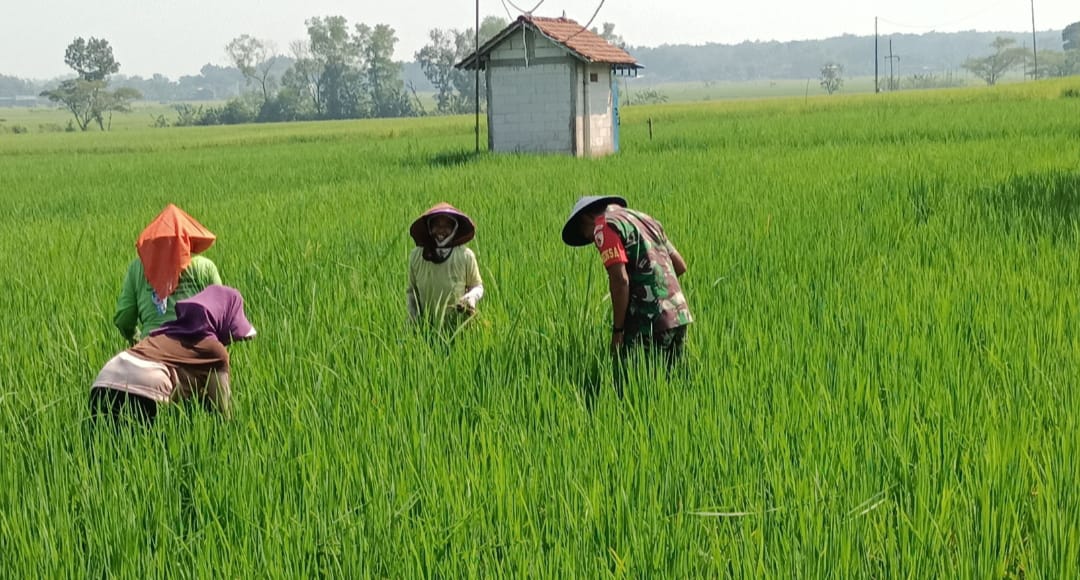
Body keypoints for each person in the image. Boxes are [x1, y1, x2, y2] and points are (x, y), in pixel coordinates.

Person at [561, 195, 692, 379]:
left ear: (586, 218)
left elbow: (620, 280)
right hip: (680, 314)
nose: (593, 240)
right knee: (671, 382)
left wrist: (618, 330)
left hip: (648, 322)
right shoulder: (646, 219)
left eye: (587, 235)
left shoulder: (603, 226)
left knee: (638, 384)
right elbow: (679, 266)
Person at [90, 285, 257, 424]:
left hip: (102, 383)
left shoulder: (163, 332)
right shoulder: (214, 351)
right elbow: (223, 413)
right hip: (142, 391)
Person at [114, 204, 222, 344]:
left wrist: (136, 340)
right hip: (194, 345)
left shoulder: (137, 268)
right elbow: (221, 312)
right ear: (186, 239)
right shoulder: (205, 267)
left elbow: (124, 319)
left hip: (151, 345)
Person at [406, 203, 485, 326]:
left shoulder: (465, 256)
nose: (441, 230)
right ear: (429, 227)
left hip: (458, 325)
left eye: (447, 225)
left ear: (455, 228)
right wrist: (413, 318)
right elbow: (412, 291)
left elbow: (478, 287)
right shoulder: (416, 256)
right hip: (427, 325)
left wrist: (470, 297)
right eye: (436, 225)